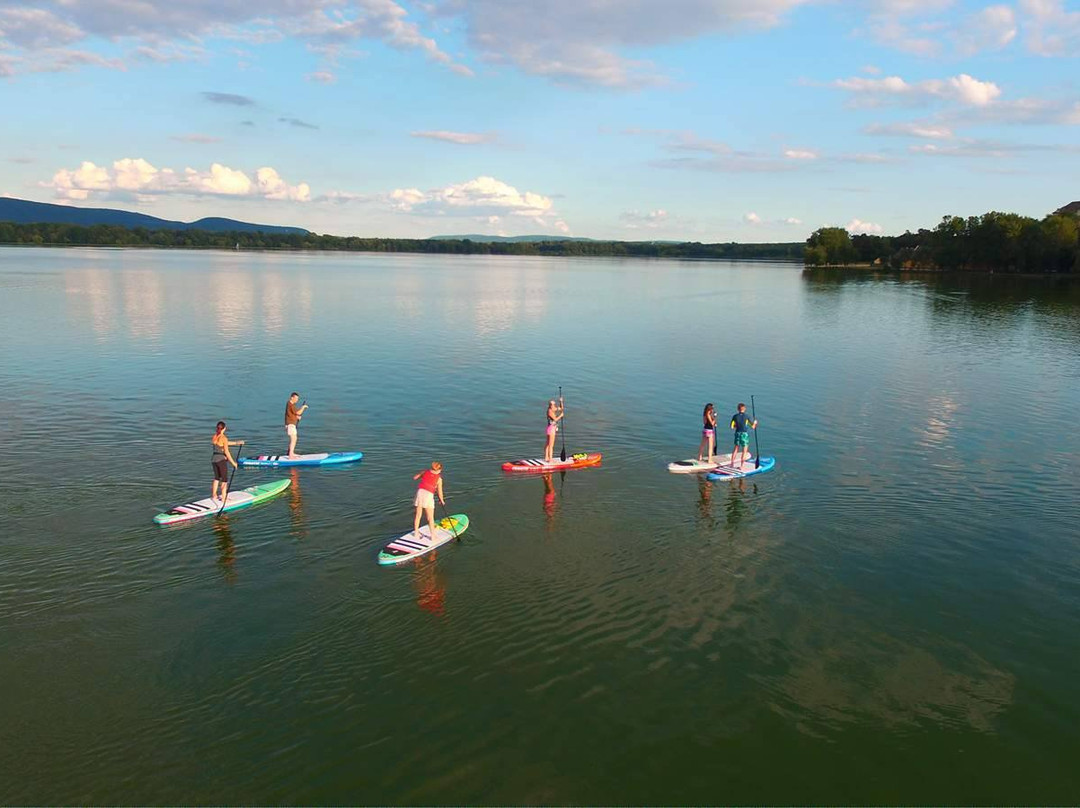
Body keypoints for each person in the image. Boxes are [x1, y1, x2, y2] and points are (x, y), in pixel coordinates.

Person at [211, 421, 244, 503]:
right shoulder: (224, 438)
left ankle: (214, 495)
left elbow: (222, 444)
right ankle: (224, 498)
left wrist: (236, 443)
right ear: (224, 429)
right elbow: (227, 452)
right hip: (221, 460)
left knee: (216, 478)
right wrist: (234, 463)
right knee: (224, 480)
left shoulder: (214, 436)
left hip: (214, 459)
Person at [412, 461, 445, 541]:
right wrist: (442, 500)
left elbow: (415, 478)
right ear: (439, 470)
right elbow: (440, 492)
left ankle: (416, 532)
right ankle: (433, 536)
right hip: (428, 495)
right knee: (430, 517)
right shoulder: (439, 479)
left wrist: (421, 475)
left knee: (418, 515)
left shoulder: (425, 472)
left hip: (420, 492)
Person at [729, 403, 758, 469]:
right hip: (744, 434)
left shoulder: (735, 416)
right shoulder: (747, 416)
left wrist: (737, 425)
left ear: (738, 409)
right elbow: (753, 427)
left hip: (737, 433)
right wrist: (755, 423)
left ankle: (732, 464)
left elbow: (731, 427)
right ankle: (741, 466)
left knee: (736, 448)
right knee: (744, 450)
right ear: (744, 409)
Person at [284, 392, 309, 459]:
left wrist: (296, 417)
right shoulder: (290, 404)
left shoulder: (291, 405)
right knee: (294, 439)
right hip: (291, 424)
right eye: (296, 398)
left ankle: (291, 453)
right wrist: (303, 407)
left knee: (294, 439)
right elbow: (298, 412)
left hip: (291, 424)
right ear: (292, 397)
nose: (297, 400)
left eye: (297, 398)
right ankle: (290, 455)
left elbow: (292, 414)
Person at [544, 396, 564, 462]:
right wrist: (560, 416)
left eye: (555, 404)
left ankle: (546, 458)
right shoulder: (550, 411)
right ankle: (550, 459)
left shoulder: (553, 409)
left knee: (547, 444)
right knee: (551, 445)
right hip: (551, 429)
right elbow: (555, 419)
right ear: (550, 405)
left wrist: (561, 401)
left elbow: (561, 408)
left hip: (549, 428)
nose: (554, 406)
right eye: (553, 405)